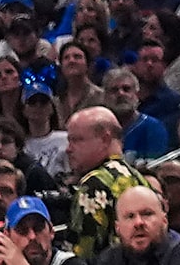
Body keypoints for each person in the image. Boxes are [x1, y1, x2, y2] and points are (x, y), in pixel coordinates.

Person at [63, 109, 149, 258]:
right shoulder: (140, 178)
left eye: (76, 140)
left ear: (105, 139)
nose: (68, 149)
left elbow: (82, 255)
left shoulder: (93, 185)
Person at [94, 186, 180, 265]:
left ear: (164, 220)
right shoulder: (107, 260)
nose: (138, 223)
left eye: (147, 214)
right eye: (130, 216)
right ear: (117, 228)